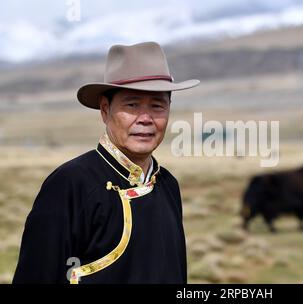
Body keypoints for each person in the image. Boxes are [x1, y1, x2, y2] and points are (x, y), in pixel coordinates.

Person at [13, 42, 199, 284]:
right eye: (132, 105)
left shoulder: (167, 184)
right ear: (105, 109)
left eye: (157, 106)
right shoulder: (70, 184)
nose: (145, 119)